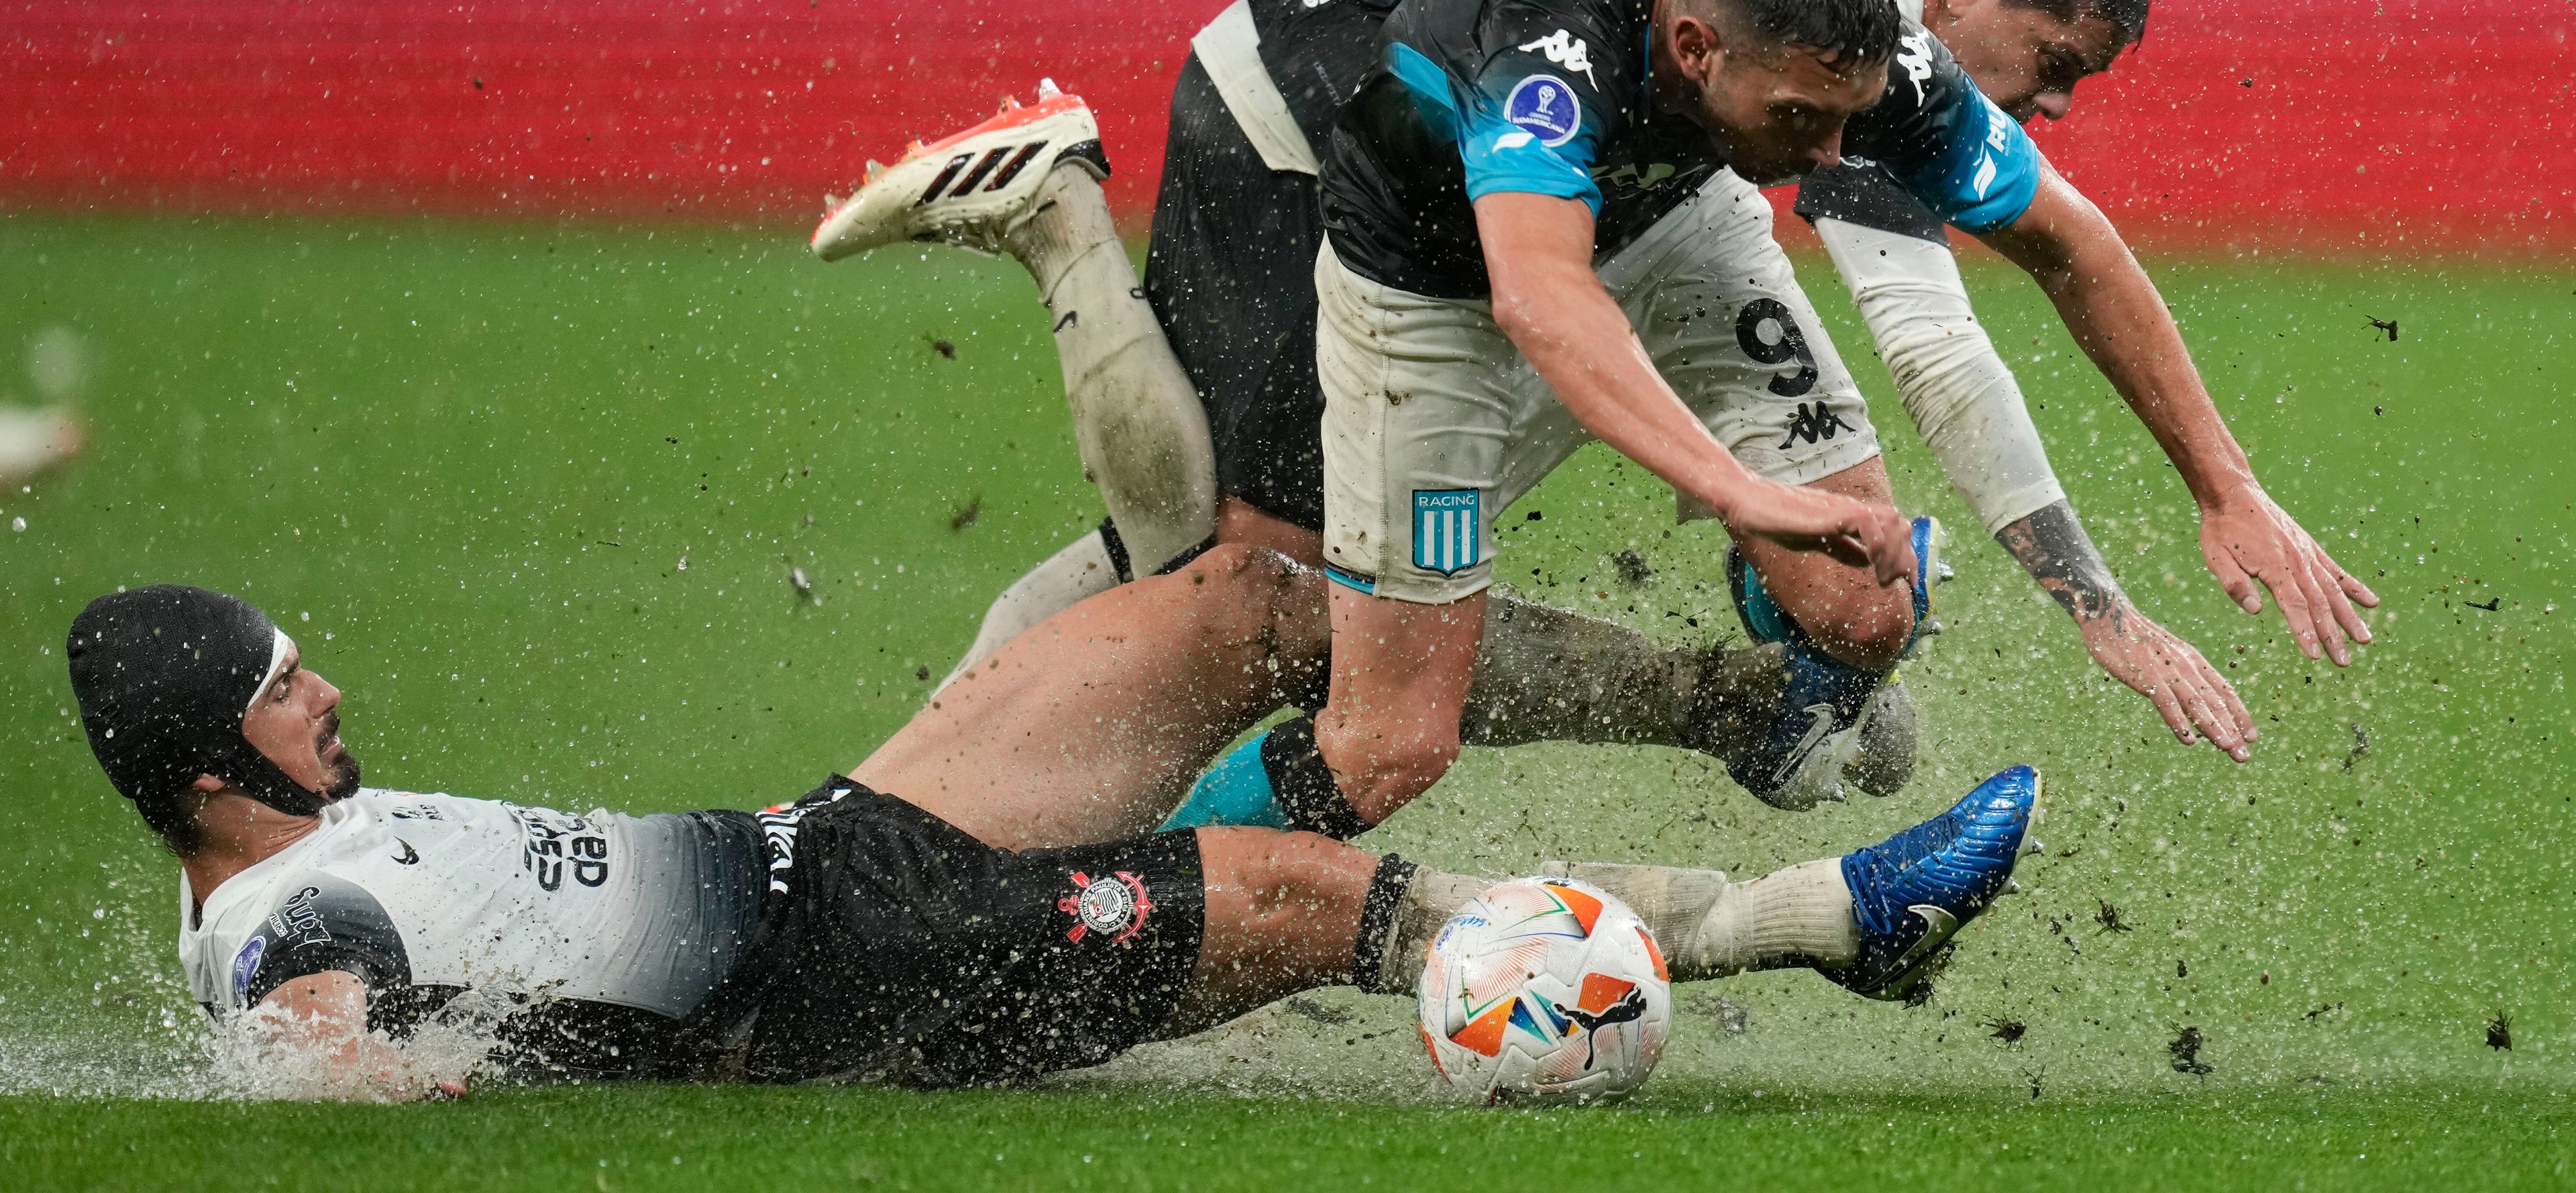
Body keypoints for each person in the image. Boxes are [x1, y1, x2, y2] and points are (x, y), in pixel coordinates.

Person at [814, 0, 2353, 815]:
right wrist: (1760, 498)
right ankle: (1058, 230)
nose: (2053, 109)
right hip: (1314, 122)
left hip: (1652, 168)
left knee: (1866, 603)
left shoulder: (1860, 27)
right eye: (2059, 69)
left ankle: (1769, 700)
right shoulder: (1611, 56)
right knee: (1238, 579)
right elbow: (1916, 350)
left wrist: (2226, 488)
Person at [66, 579, 2039, 1099]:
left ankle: (1744, 708)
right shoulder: (283, 911)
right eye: (282, 684)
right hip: (845, 983)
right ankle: (1825, 923)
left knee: (1241, 604)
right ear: (204, 758)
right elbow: (307, 1046)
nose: (322, 696)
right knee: (1300, 899)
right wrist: (388, 1092)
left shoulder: (293, 829)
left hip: (819, 849)